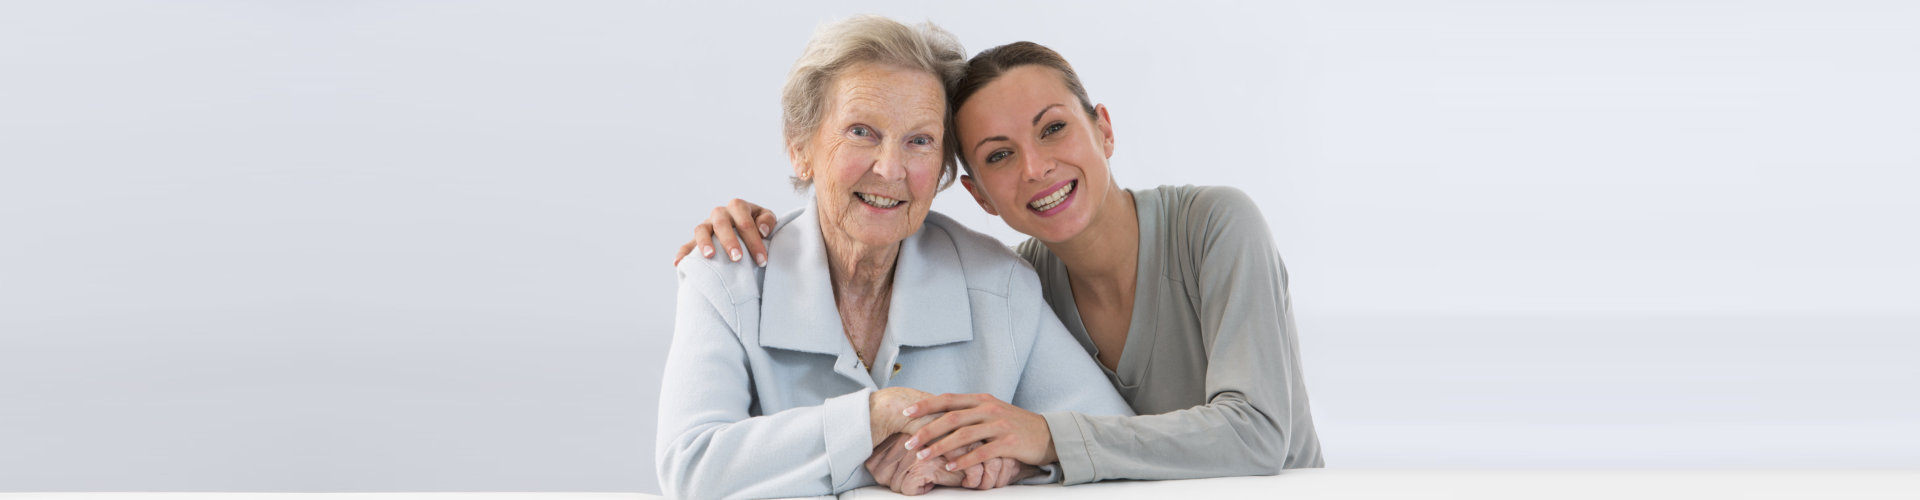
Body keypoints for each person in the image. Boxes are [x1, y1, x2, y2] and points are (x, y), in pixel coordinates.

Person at [674, 41, 1325, 486]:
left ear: (1104, 128)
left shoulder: (1216, 225)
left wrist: (1033, 443)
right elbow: (1033, 444)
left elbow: (1256, 435)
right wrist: (980, 459)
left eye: (1053, 129)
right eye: (998, 155)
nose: (1036, 167)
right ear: (976, 194)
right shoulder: (1016, 280)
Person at [655, 17, 1134, 499]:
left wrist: (1005, 463)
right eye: (862, 131)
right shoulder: (723, 278)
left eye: (920, 141)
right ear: (800, 148)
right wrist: (875, 420)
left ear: (944, 168)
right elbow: (691, 467)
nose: (890, 168)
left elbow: (1110, 440)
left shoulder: (1000, 284)